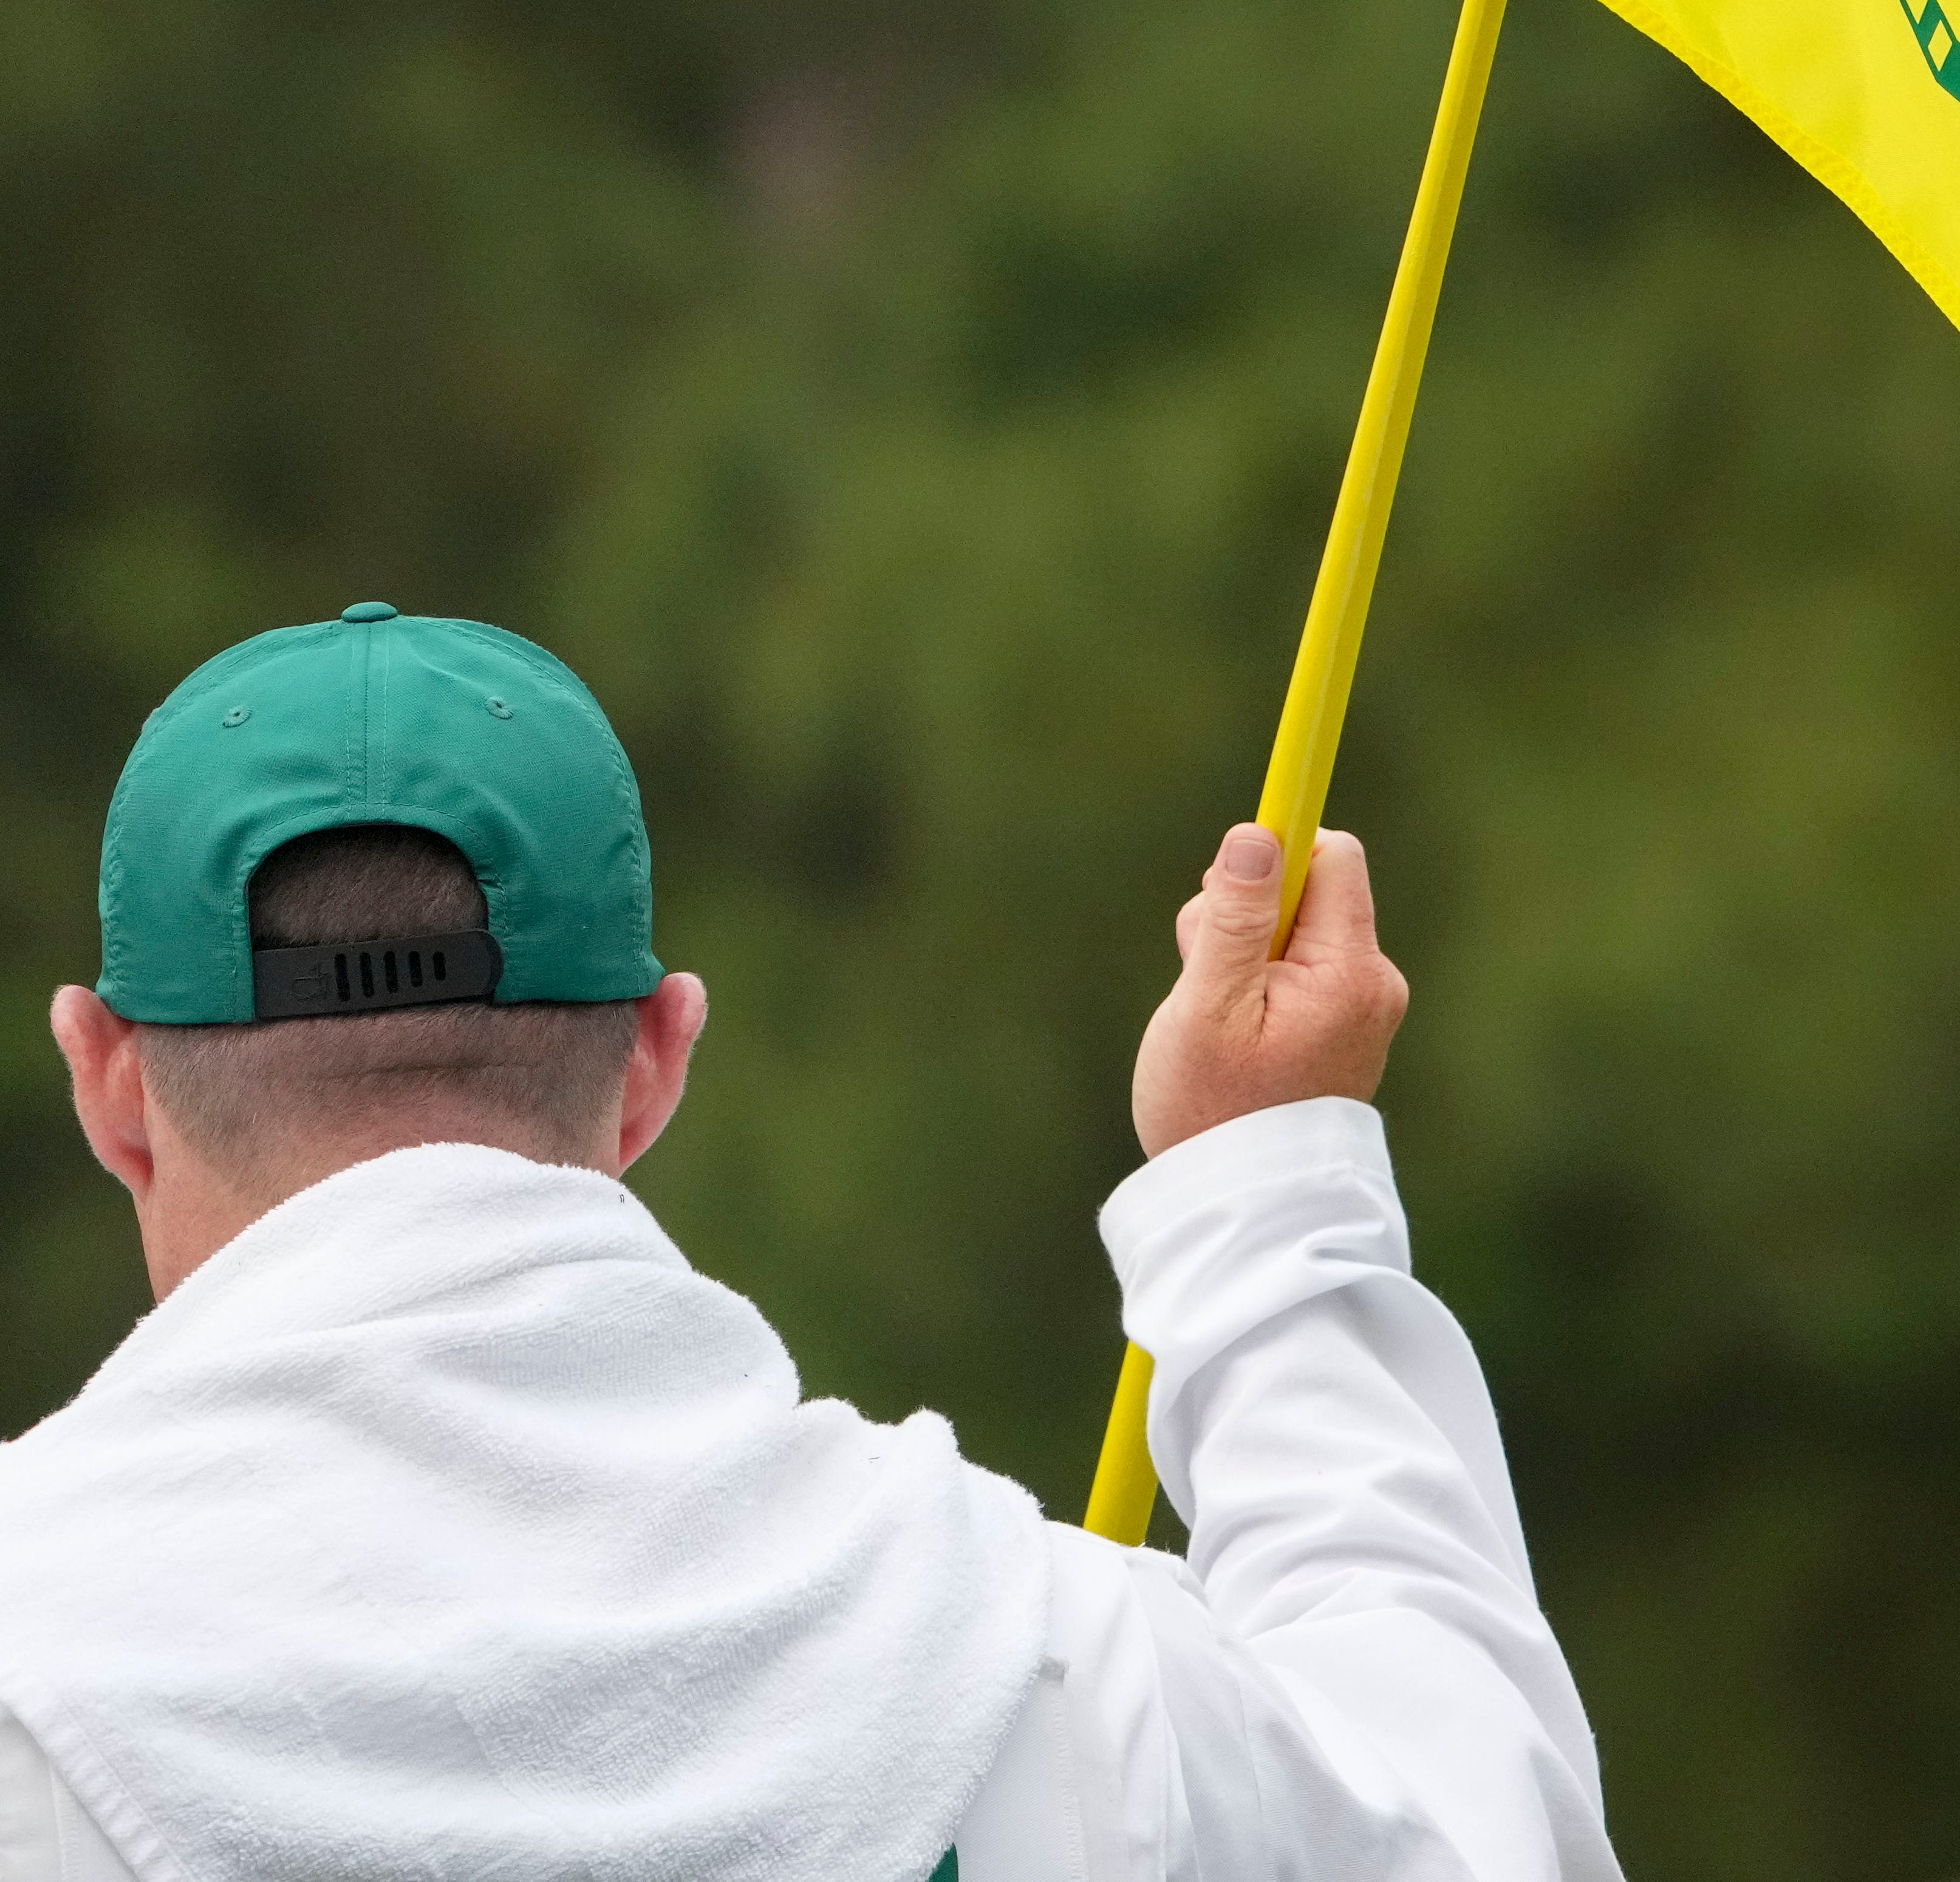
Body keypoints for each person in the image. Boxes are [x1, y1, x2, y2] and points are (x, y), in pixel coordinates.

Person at [0, 603, 1619, 1882]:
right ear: (655, 1056)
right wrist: (1264, 1191)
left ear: (105, 1078)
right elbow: (1485, 1829)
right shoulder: (1045, 1656)